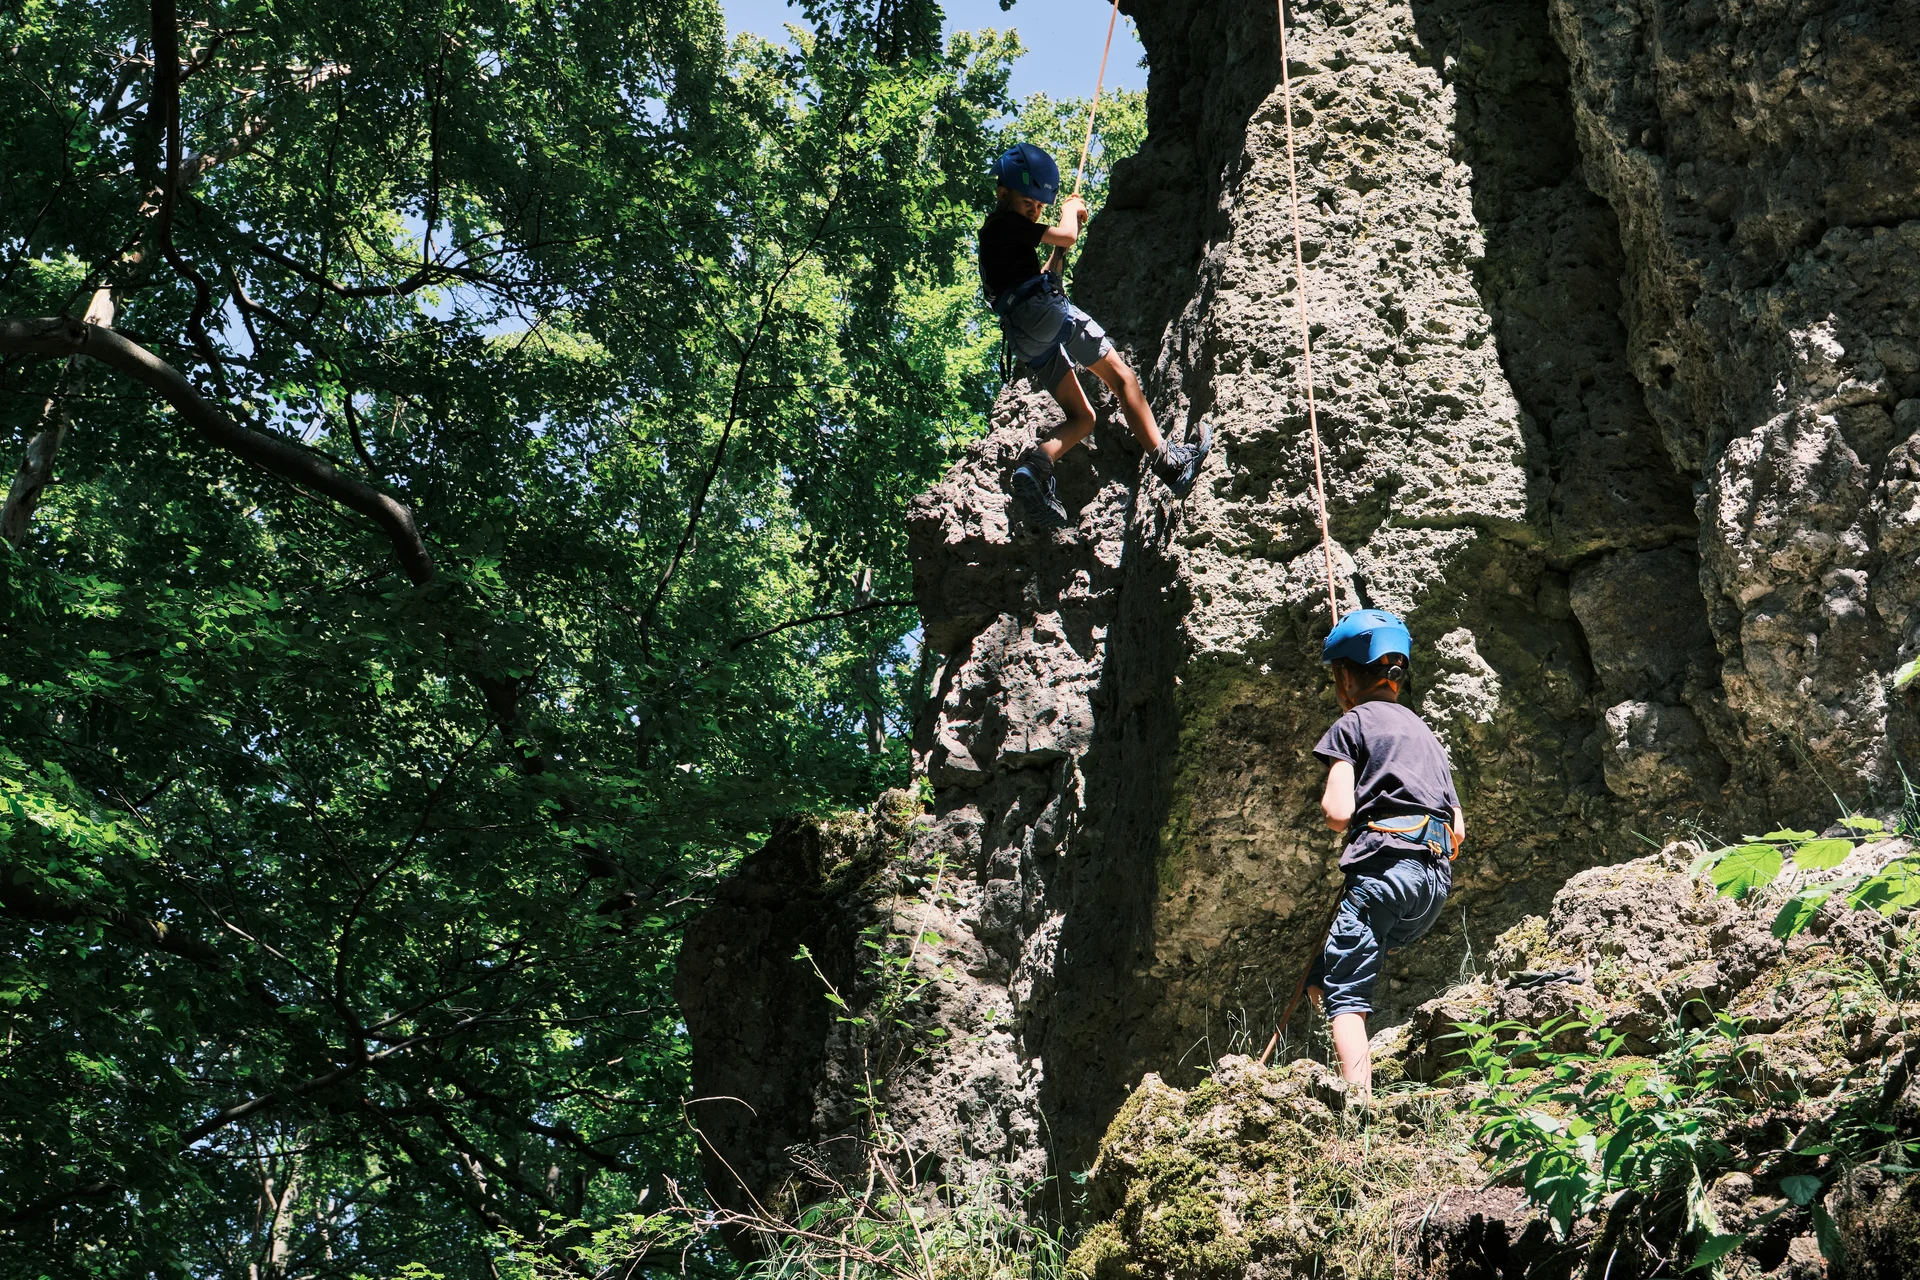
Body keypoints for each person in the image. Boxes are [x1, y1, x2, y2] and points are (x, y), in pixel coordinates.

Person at [979, 143, 1211, 528]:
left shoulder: (999, 241)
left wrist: (1061, 247)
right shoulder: (1003, 223)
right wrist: (1070, 212)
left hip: (1024, 334)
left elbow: (1045, 274)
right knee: (1122, 378)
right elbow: (1066, 236)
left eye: (1038, 206)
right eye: (1027, 203)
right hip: (1042, 313)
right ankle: (1170, 463)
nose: (1033, 211)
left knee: (1083, 418)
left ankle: (1036, 466)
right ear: (1003, 194)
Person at [1304, 608, 1463, 1101]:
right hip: (1432, 884)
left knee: (1344, 994)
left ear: (1345, 676)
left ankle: (1359, 1110)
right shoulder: (1426, 735)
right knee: (1327, 971)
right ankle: (1343, 1048)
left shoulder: (1351, 724)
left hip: (1385, 873)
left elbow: (1337, 812)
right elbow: (1458, 830)